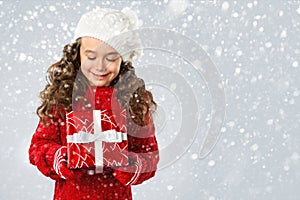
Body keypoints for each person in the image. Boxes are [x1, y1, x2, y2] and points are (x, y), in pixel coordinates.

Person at [28, 7, 159, 200]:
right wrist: (60, 157)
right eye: (91, 56)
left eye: (111, 57)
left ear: (122, 58)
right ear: (77, 53)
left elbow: (150, 156)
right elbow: (38, 146)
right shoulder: (63, 97)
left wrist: (131, 164)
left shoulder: (132, 100)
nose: (100, 66)